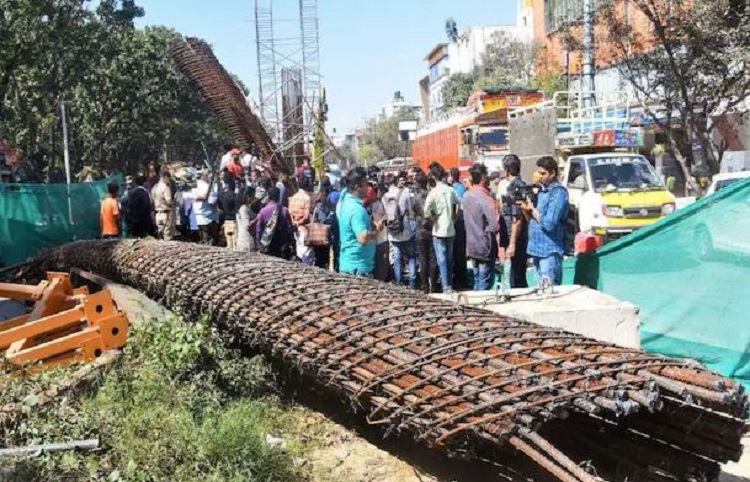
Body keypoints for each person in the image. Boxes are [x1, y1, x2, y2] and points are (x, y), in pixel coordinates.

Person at [521, 156, 569, 286]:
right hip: (536, 249)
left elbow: (549, 223)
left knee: (549, 292)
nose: (540, 176)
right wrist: (526, 209)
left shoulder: (558, 193)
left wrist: (532, 209)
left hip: (549, 251)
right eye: (539, 173)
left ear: (553, 173)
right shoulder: (541, 192)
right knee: (539, 292)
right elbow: (532, 221)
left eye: (544, 173)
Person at [337, 167, 386, 277]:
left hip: (350, 265)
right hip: (358, 270)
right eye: (365, 184)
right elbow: (362, 238)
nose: (368, 188)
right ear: (357, 187)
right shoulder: (356, 209)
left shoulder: (345, 202)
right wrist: (377, 231)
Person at [462, 163, 500, 291]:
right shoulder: (485, 198)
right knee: (484, 281)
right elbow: (494, 225)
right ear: (483, 177)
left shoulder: (466, 196)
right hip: (484, 246)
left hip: (471, 245)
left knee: (477, 278)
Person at [424, 162, 461, 293]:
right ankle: (449, 284)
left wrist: (433, 217)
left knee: (442, 259)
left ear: (433, 177)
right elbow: (460, 202)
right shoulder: (451, 190)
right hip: (450, 229)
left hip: (438, 229)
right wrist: (455, 215)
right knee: (449, 259)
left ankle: (446, 286)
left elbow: (426, 211)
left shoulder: (433, 193)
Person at [499, 155, 529, 288]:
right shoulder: (520, 185)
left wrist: (512, 244)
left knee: (516, 278)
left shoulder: (516, 188)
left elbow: (517, 218)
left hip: (516, 238)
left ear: (507, 170)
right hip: (516, 237)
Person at [383, 171, 417, 289]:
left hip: (393, 231)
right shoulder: (405, 193)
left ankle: (399, 282)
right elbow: (410, 209)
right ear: (396, 181)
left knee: (397, 258)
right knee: (411, 257)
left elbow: (385, 214)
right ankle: (413, 283)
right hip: (406, 229)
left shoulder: (385, 197)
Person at [412, 171, 439, 294]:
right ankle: (433, 284)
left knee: (423, 259)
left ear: (417, 183)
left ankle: (424, 286)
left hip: (420, 230)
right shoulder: (432, 195)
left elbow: (412, 214)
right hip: (432, 229)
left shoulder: (415, 198)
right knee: (433, 258)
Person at [256, 186, 294, 259]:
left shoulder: (263, 211)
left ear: (268, 196)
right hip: (282, 245)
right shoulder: (284, 210)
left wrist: (259, 245)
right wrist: (292, 242)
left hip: (268, 244)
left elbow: (259, 230)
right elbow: (289, 228)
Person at [367, 182, 390, 282]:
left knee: (380, 272)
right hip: (372, 243)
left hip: (380, 241)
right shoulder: (363, 206)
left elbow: (379, 223)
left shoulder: (378, 204)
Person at [289, 178, 314, 266]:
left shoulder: (293, 197)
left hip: (295, 227)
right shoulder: (307, 198)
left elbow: (290, 212)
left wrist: (294, 222)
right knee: (306, 252)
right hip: (304, 227)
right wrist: (299, 222)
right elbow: (306, 215)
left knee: (299, 249)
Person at [194, 170, 219, 245]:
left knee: (202, 240)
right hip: (208, 218)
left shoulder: (195, 185)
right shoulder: (207, 186)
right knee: (209, 241)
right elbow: (212, 201)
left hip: (198, 217)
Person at [151, 169, 175, 241]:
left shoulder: (154, 187)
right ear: (165, 177)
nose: (169, 180)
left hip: (158, 214)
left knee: (160, 237)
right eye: (169, 178)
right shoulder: (165, 187)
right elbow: (169, 201)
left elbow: (152, 201)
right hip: (166, 214)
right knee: (168, 237)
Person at [236, 187, 258, 253]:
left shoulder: (246, 207)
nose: (254, 197)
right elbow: (247, 225)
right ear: (248, 196)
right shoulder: (243, 209)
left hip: (243, 239)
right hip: (246, 241)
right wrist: (258, 218)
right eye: (253, 195)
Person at [221, 172, 239, 250]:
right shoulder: (235, 196)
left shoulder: (222, 195)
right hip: (234, 222)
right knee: (235, 246)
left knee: (229, 245)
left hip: (226, 222)